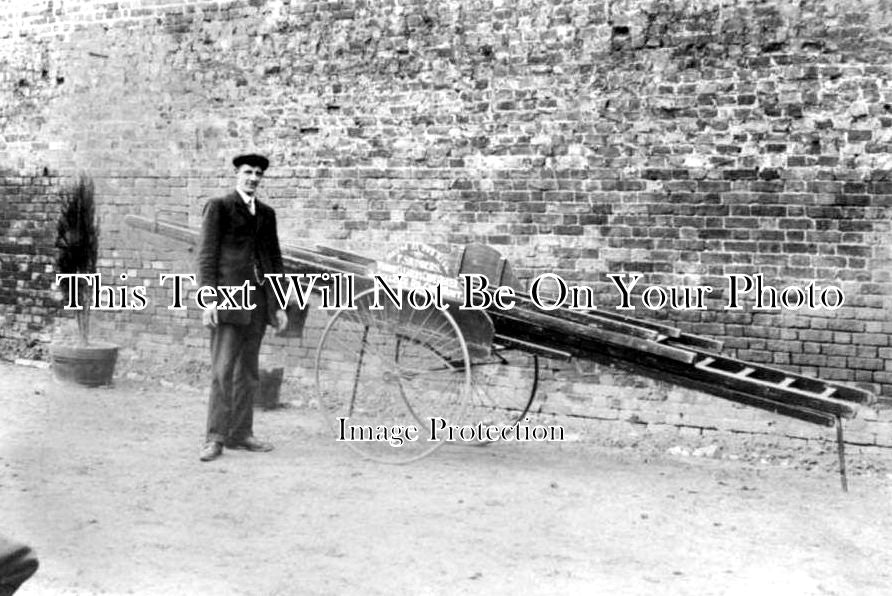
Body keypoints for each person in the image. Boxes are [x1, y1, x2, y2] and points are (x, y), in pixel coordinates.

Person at [197, 153, 288, 462]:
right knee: (222, 372)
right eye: (248, 172)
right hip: (228, 301)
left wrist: (278, 306)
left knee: (248, 373)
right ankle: (215, 438)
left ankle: (241, 433)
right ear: (237, 173)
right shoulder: (219, 207)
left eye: (258, 173)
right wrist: (208, 300)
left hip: (258, 305)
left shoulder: (266, 214)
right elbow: (206, 257)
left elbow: (274, 263)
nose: (253, 177)